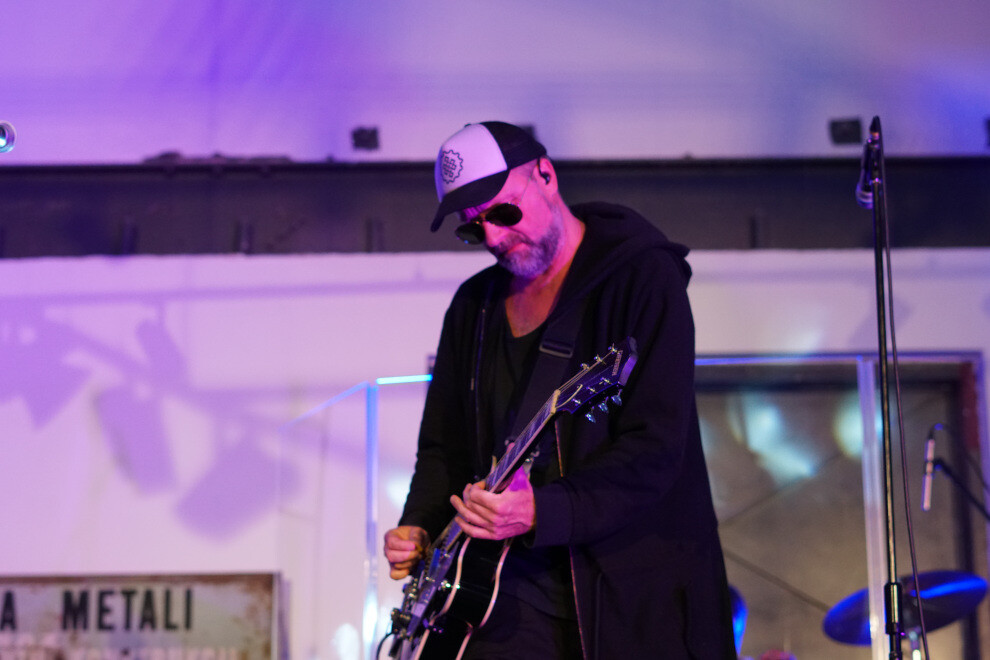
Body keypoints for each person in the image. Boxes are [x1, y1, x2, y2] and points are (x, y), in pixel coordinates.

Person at [383, 121, 736, 659]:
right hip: (494, 600)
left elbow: (655, 449)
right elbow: (442, 448)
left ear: (546, 175)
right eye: (474, 229)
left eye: (504, 213)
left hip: (624, 597)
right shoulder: (473, 307)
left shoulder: (641, 279)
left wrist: (541, 512)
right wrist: (420, 524)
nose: (494, 239)